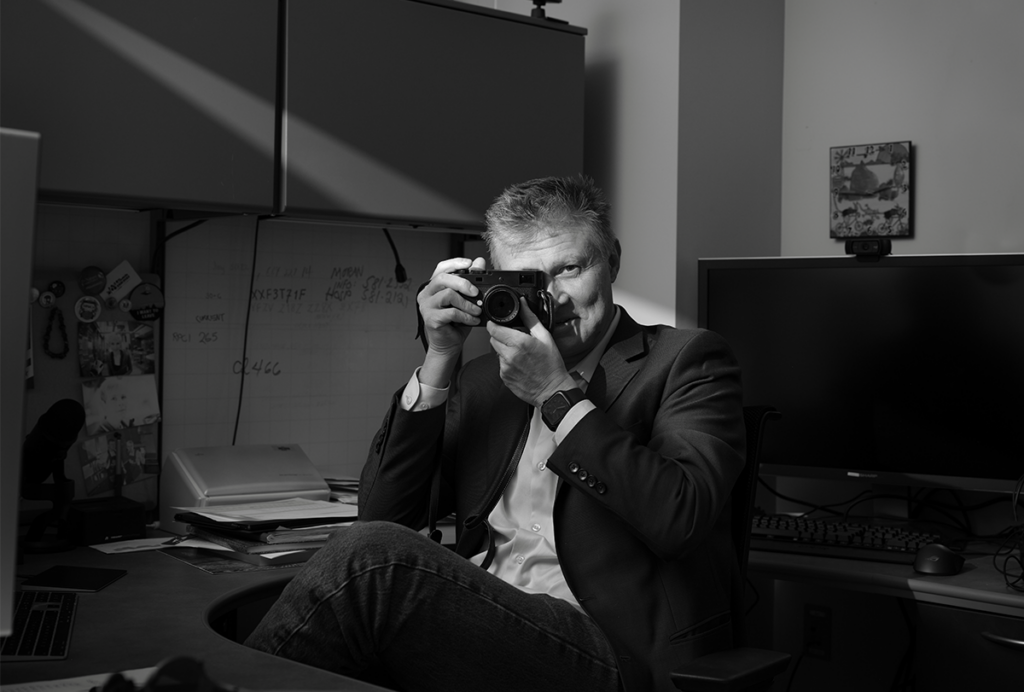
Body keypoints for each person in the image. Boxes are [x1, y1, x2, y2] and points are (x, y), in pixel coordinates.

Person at [245, 175, 746, 692]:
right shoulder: (486, 377)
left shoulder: (686, 360)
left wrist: (556, 393)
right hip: (483, 617)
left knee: (372, 564)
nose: (553, 299)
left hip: (610, 649)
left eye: (571, 268)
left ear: (612, 260)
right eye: (529, 279)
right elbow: (385, 514)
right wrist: (440, 357)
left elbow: (680, 516)